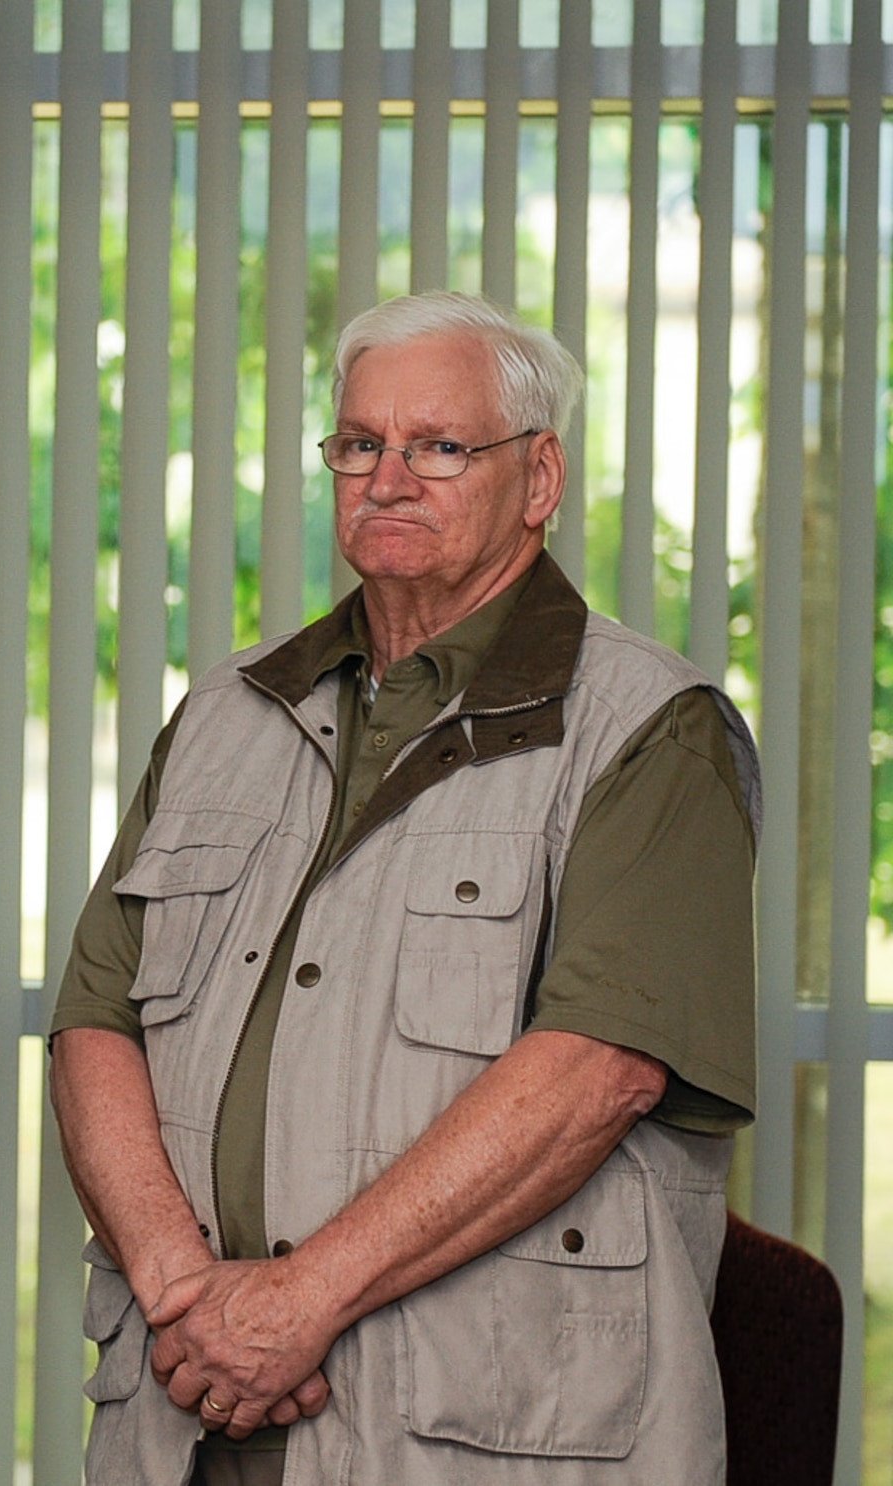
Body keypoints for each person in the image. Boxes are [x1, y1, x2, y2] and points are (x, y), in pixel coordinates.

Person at [50, 292, 757, 1485]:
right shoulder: (228, 710)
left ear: (537, 480)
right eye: (358, 444)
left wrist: (293, 1304)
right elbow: (93, 1015)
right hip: (188, 1415)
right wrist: (187, 1297)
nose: (387, 477)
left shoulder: (649, 727)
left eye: (437, 446)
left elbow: (596, 1070)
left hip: (484, 1434)